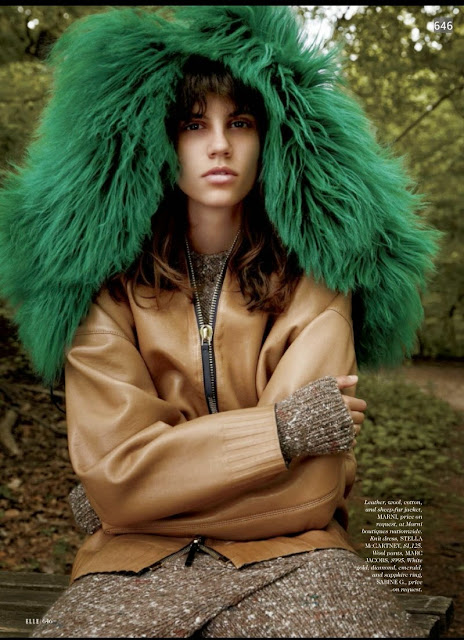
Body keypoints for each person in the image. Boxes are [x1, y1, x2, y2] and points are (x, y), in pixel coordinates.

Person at [0, 6, 438, 638]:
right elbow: (117, 478)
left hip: (300, 555)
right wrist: (281, 432)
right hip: (131, 561)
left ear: (269, 138)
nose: (219, 145)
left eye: (239, 122)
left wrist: (138, 496)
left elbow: (310, 493)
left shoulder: (318, 283)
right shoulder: (106, 292)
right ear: (158, 140)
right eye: (192, 124)